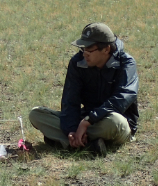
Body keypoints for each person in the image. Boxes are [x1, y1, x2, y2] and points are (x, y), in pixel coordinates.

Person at [29, 23, 138, 156]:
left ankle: (65, 141)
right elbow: (70, 100)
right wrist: (71, 129)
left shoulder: (126, 63)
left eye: (89, 49)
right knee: (36, 114)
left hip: (113, 121)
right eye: (83, 48)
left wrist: (88, 121)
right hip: (85, 120)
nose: (85, 53)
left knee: (115, 122)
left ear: (106, 49)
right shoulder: (77, 62)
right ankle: (87, 143)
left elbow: (122, 99)